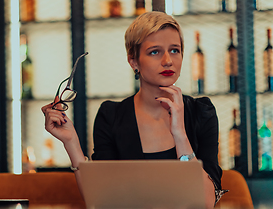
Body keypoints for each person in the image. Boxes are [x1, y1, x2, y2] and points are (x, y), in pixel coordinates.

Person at [41, 11, 226, 208]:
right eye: (154, 51)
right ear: (133, 62)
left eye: (175, 50)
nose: (168, 60)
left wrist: (179, 133)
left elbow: (206, 202)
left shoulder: (202, 112)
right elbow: (102, 199)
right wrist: (71, 142)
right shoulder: (111, 116)